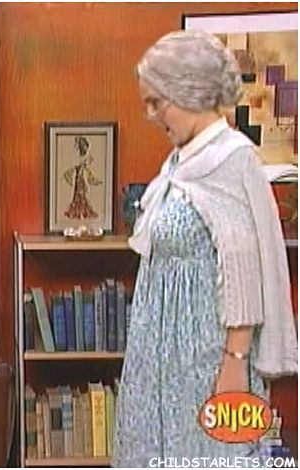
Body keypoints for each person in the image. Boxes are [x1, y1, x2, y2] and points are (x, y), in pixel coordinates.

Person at [113, 30, 298, 467]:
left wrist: (234, 363)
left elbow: (243, 270)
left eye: (157, 102)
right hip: (159, 358)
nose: (151, 115)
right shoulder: (182, 162)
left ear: (189, 91)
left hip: (206, 359)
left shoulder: (232, 160)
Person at [64, 135, 102, 220]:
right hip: (78, 179)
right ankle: (78, 213)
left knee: (81, 196)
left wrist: (86, 183)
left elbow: (84, 172)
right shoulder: (79, 160)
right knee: (78, 196)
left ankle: (81, 213)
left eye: (77, 147)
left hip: (80, 180)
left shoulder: (82, 161)